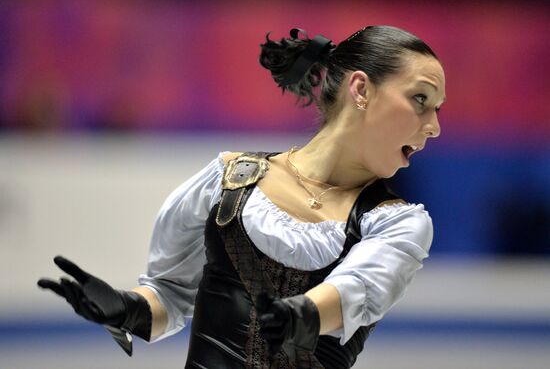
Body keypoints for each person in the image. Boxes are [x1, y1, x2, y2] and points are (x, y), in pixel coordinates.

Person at [38, 25, 445, 369]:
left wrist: (300, 314)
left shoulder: (397, 223)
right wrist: (125, 308)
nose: (434, 127)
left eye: (437, 109)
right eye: (420, 100)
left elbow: (357, 289)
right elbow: (171, 294)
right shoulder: (231, 179)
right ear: (361, 88)